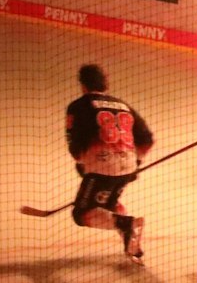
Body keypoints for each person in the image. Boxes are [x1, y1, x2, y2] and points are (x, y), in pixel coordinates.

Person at [64, 64, 152, 259]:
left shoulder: (78, 106)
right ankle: (131, 241)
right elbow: (147, 139)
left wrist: (83, 164)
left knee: (81, 214)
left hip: (101, 167)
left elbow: (75, 143)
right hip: (127, 166)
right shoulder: (123, 105)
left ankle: (126, 224)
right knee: (110, 204)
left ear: (83, 84)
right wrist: (136, 163)